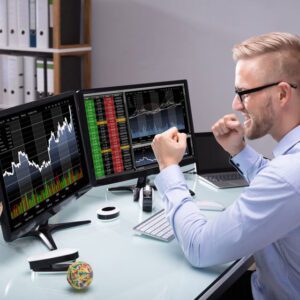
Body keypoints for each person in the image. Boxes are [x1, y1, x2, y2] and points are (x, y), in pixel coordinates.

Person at [151, 32, 300, 299]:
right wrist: (239, 150)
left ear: (281, 94)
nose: (235, 105)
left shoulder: (288, 175)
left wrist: (168, 167)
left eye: (243, 93)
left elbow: (199, 247)